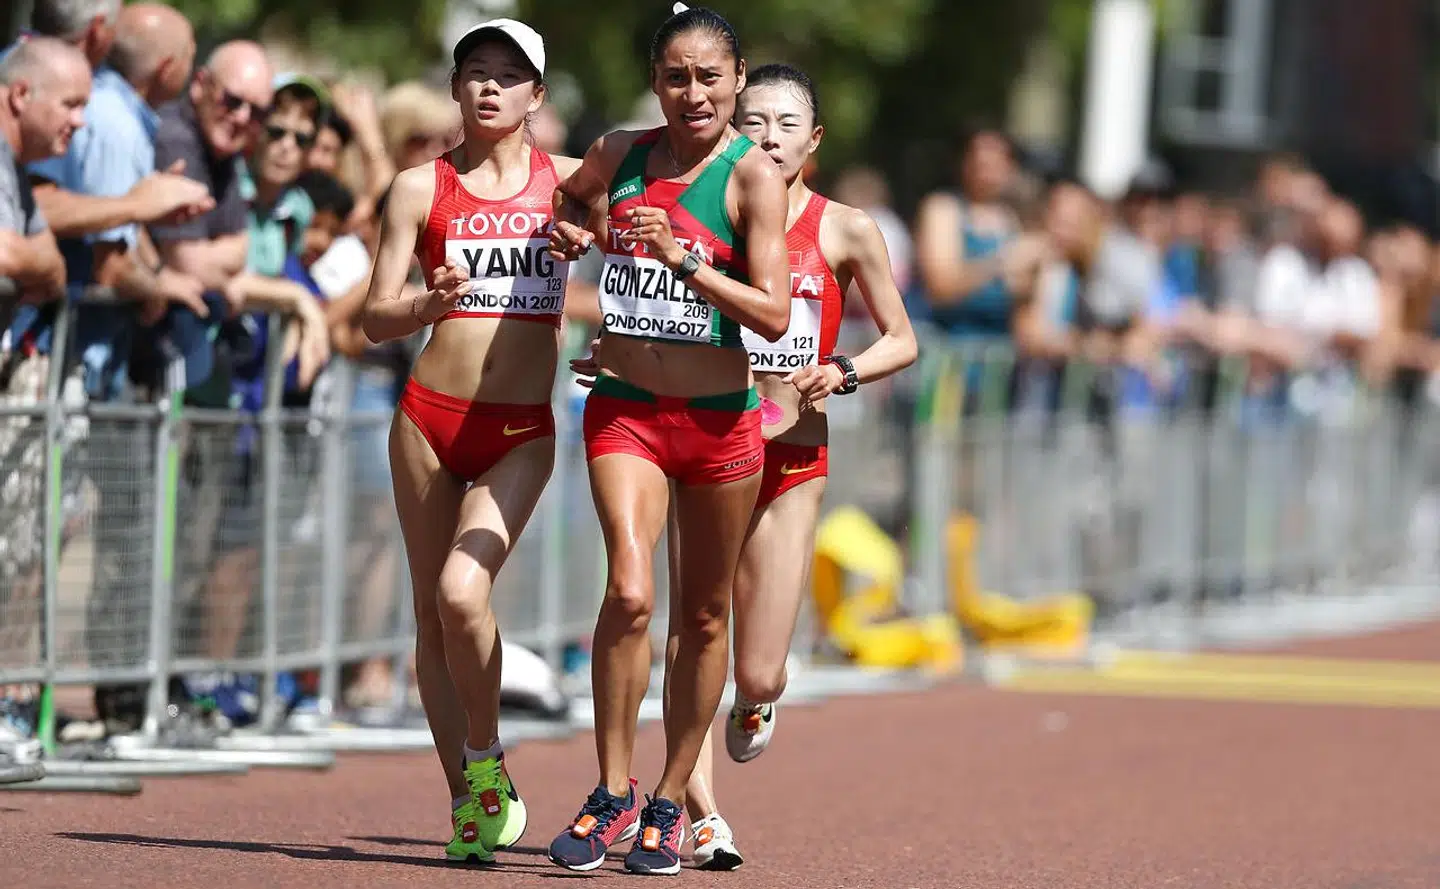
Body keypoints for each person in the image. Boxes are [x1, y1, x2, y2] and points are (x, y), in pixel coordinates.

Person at [543, 6, 791, 876]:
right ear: (655, 82)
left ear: (737, 79)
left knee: (705, 613)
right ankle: (611, 787)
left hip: (720, 422)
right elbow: (563, 204)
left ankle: (669, 797)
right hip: (627, 409)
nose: (694, 93)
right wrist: (571, 230)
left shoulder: (753, 178)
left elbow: (773, 312)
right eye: (677, 77)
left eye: (710, 77)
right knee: (629, 589)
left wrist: (685, 260)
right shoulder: (619, 154)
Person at [667, 62, 917, 869]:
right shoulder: (708, 213)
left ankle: (756, 699)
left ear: (814, 140)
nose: (769, 137)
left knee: (762, 668)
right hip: (708, 442)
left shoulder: (846, 228)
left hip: (793, 455)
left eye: (786, 124)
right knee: (695, 627)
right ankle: (697, 812)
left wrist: (844, 370)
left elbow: (902, 339)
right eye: (754, 121)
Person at [360, 18, 578, 865]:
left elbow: (655, 229)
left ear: (537, 95)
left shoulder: (571, 184)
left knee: (462, 592)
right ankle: (466, 798)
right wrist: (426, 303)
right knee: (430, 615)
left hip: (517, 430)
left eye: (509, 74)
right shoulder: (419, 187)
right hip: (426, 419)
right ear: (455, 88)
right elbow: (375, 316)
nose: (490, 86)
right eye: (476, 71)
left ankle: (485, 758)